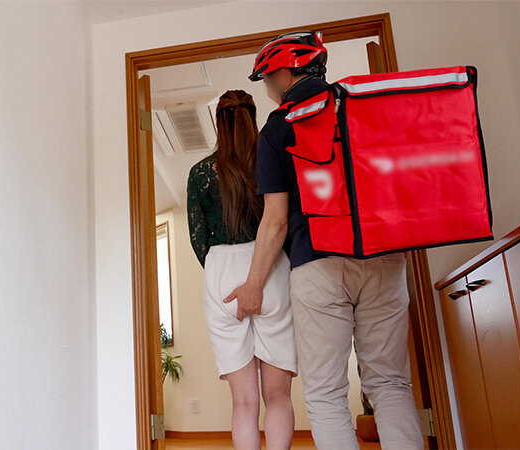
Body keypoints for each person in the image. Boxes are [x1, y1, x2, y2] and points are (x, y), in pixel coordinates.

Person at [227, 31, 423, 449]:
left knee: (326, 394)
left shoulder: (278, 127)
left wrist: (253, 284)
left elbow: (276, 220)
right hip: (384, 257)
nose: (268, 90)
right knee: (390, 384)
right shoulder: (361, 105)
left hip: (318, 265)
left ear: (285, 74)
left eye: (268, 80)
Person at [187, 90, 296, 450]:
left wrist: (221, 271)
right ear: (253, 117)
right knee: (278, 396)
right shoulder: (272, 162)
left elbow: (198, 239)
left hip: (221, 272)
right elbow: (285, 221)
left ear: (219, 122)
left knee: (244, 403)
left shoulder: (199, 174)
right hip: (270, 268)